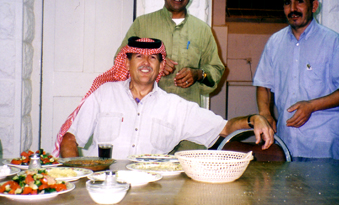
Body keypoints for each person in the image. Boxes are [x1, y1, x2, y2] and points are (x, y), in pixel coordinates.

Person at [58, 37, 274, 158]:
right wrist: (79, 179)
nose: (145, 62)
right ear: (126, 63)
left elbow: (225, 128)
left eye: (153, 57)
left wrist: (253, 119)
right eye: (138, 56)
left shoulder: (175, 107)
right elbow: (70, 139)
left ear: (161, 66)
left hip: (154, 193)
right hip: (104, 189)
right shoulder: (104, 94)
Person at [115, 0, 225, 152]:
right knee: (149, 174)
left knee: (189, 173)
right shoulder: (143, 24)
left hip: (189, 122)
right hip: (148, 120)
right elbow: (120, 61)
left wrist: (198, 74)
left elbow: (216, 70)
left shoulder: (202, 30)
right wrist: (151, 66)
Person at [253, 0, 339, 167]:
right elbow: (263, 84)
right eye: (287, 3)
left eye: (299, 1)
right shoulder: (275, 43)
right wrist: (264, 112)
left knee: (322, 198)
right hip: (285, 146)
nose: (293, 8)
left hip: (321, 147)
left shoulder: (333, 42)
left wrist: (311, 106)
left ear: (314, 5)